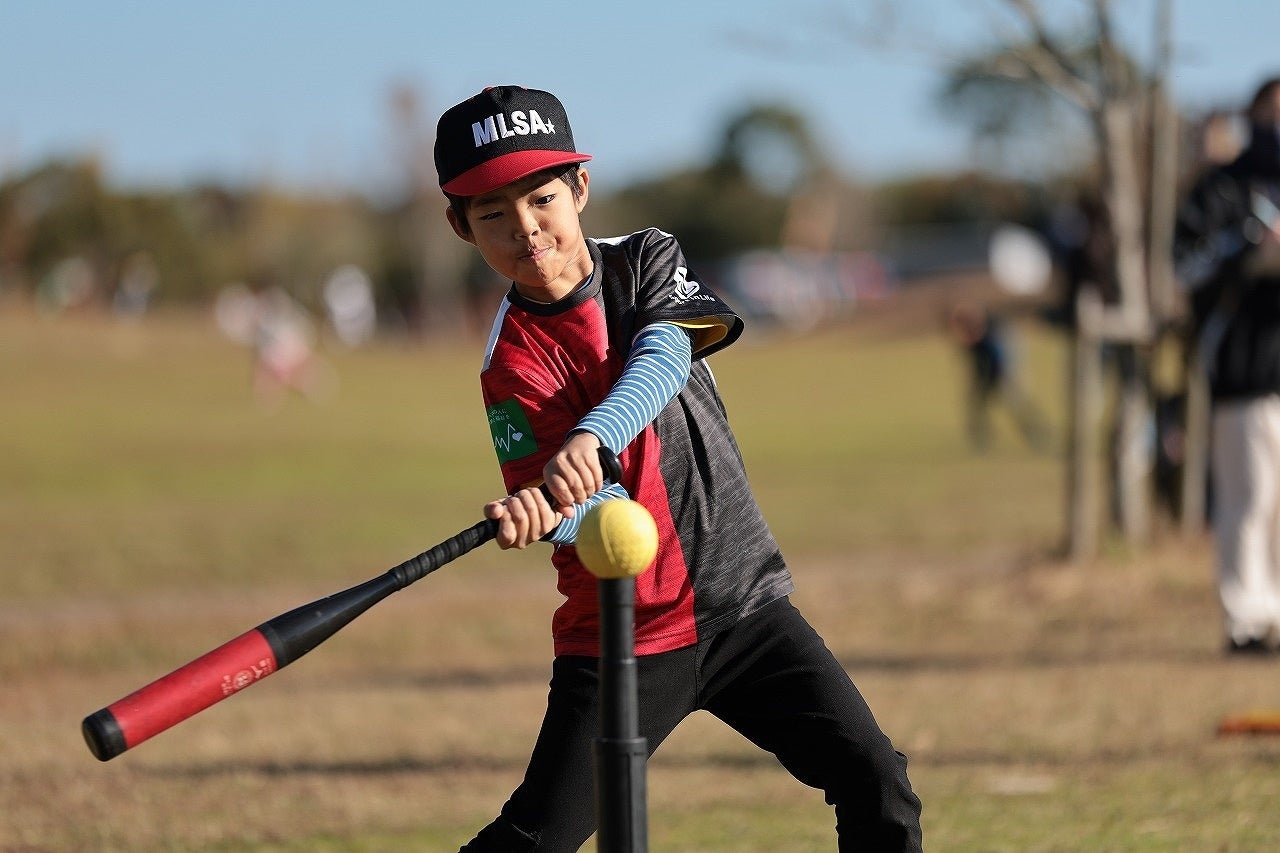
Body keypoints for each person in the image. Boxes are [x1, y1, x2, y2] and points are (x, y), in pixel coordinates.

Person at [434, 85, 923, 851]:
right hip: (622, 639)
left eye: (542, 198)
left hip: (746, 607)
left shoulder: (646, 261)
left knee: (876, 779)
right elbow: (597, 511)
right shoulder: (512, 365)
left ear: (580, 189)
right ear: (461, 226)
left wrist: (591, 438)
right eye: (494, 213)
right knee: (535, 838)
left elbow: (664, 358)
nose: (527, 228)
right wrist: (549, 514)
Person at [1174, 77, 1280, 655]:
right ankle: (1248, 620)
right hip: (1244, 369)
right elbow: (1186, 266)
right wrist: (1248, 247)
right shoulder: (1222, 189)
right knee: (1250, 495)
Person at [945, 299, 1050, 453]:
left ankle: (1036, 432)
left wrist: (1001, 378)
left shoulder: (993, 336)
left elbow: (1002, 359)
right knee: (977, 402)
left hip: (1002, 370)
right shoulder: (977, 340)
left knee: (1015, 402)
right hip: (990, 370)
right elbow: (976, 362)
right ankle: (981, 437)